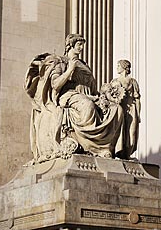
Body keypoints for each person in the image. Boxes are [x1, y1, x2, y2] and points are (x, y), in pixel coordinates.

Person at [25, 34, 124, 162]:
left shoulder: (84, 65)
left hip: (88, 96)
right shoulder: (61, 62)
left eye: (83, 44)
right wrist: (69, 70)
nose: (82, 47)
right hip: (68, 96)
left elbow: (92, 89)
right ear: (70, 45)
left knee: (117, 109)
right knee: (87, 106)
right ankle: (92, 146)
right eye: (79, 44)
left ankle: (105, 148)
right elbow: (55, 85)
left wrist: (102, 98)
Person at [112, 60, 141, 159]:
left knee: (131, 132)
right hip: (120, 109)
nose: (117, 68)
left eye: (118, 66)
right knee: (119, 131)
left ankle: (127, 154)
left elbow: (137, 99)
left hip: (131, 109)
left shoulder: (133, 82)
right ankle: (118, 152)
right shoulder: (115, 81)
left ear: (124, 67)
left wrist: (138, 114)